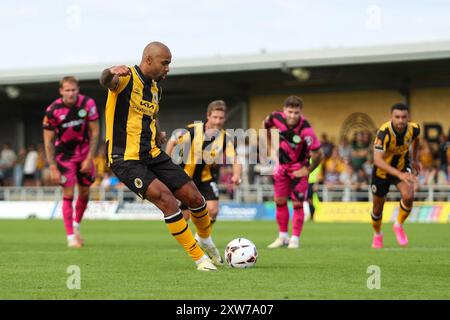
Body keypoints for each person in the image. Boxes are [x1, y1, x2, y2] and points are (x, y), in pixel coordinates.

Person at [100, 41, 220, 271]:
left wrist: (157, 133)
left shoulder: (156, 88)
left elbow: (151, 114)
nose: (168, 68)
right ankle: (199, 259)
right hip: (125, 157)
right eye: (165, 63)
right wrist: (109, 72)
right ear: (148, 60)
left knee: (194, 196)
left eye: (169, 64)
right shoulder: (125, 78)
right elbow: (106, 81)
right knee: (166, 199)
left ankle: (205, 239)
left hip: (153, 153)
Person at [165, 100, 242, 240]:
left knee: (213, 210)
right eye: (215, 117)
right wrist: (167, 163)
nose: (218, 121)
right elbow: (172, 141)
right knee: (185, 216)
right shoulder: (193, 130)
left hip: (206, 179)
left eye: (221, 118)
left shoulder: (226, 138)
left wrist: (236, 175)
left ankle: (201, 238)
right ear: (208, 116)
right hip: (185, 178)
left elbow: (235, 159)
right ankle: (189, 242)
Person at [43, 76, 99, 248]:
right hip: (64, 157)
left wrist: (89, 159)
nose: (71, 93)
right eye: (67, 90)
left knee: (84, 193)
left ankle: (76, 227)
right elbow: (48, 142)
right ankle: (70, 238)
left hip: (84, 154)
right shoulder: (52, 110)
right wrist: (52, 166)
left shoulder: (88, 104)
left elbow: (95, 133)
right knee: (68, 194)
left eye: (73, 90)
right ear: (61, 91)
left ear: (78, 89)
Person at [264, 96, 323, 249]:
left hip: (299, 169)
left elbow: (319, 154)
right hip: (281, 166)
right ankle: (283, 236)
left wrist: (307, 169)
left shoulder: (306, 130)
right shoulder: (275, 117)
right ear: (284, 111)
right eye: (290, 112)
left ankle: (295, 239)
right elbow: (265, 126)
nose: (292, 116)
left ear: (300, 113)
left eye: (296, 113)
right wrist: (271, 150)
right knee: (279, 201)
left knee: (297, 203)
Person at [370, 103, 421, 249]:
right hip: (382, 172)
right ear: (391, 117)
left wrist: (415, 159)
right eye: (397, 117)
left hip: (401, 167)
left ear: (408, 117)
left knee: (409, 195)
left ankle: (398, 225)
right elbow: (377, 160)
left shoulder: (414, 129)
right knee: (377, 209)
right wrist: (399, 174)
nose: (400, 121)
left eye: (404, 117)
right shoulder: (383, 133)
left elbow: (416, 140)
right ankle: (378, 234)